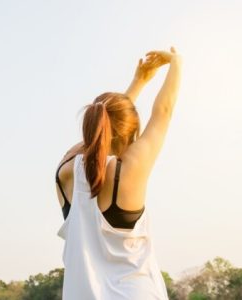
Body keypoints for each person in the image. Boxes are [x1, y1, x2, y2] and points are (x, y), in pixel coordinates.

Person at [55, 46, 182, 299]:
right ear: (131, 134)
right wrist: (176, 62)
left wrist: (137, 83)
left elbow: (100, 132)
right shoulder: (129, 170)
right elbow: (163, 113)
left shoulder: (65, 170)